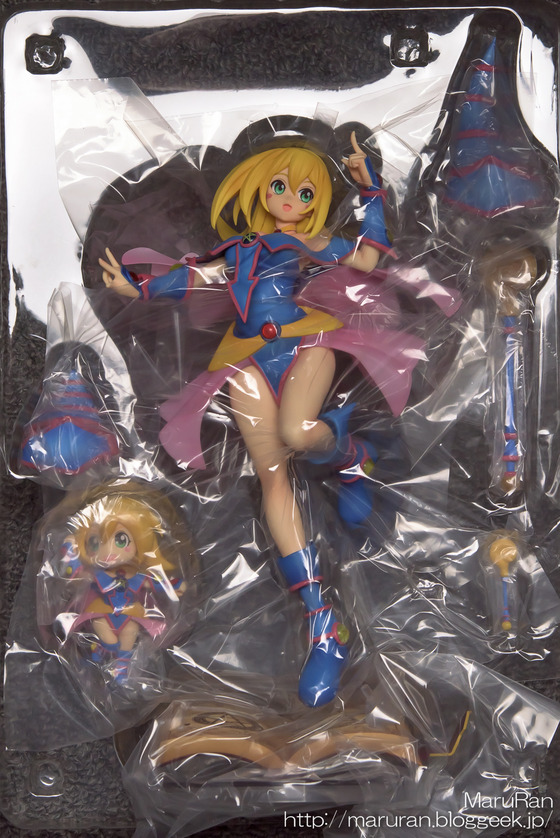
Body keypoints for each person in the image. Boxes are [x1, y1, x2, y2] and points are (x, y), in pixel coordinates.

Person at [99, 128, 438, 707]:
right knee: (272, 476)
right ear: (258, 188)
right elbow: (194, 278)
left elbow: (367, 257)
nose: (292, 201)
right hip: (246, 357)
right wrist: (138, 286)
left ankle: (355, 456)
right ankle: (323, 623)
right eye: (281, 187)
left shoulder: (309, 244)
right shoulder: (236, 250)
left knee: (297, 434)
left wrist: (371, 191)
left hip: (307, 344)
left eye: (307, 193)